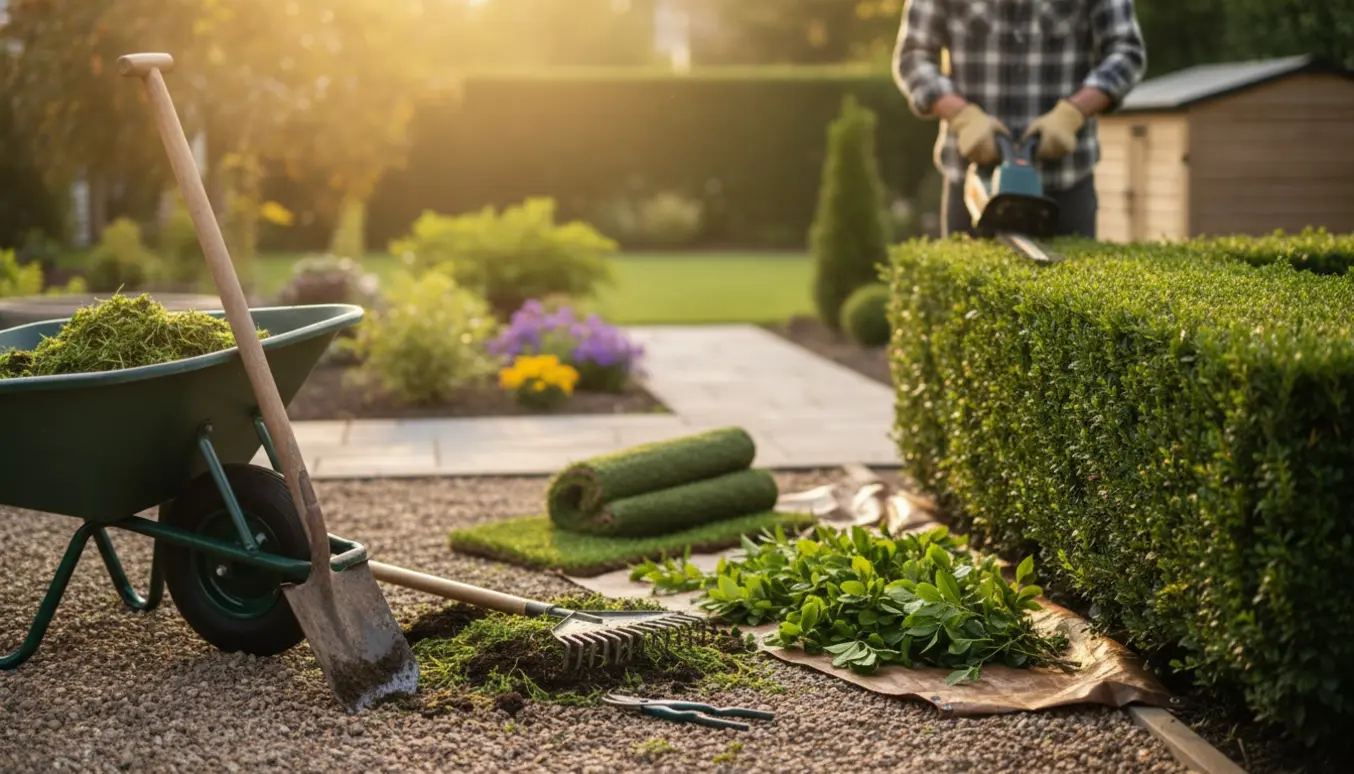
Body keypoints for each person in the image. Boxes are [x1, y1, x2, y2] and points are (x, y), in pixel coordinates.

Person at [893, 0, 1147, 238]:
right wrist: (962, 116)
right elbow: (913, 58)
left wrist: (1072, 113)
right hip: (973, 184)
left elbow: (1126, 53)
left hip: (1065, 183)